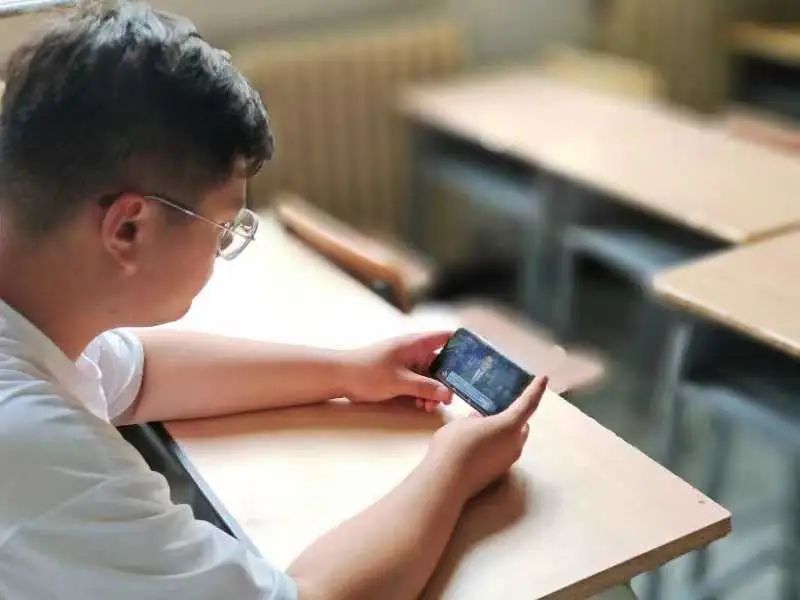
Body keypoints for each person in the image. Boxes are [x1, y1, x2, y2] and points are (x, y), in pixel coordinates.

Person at [0, 2, 547, 598]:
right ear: (129, 228)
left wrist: (347, 371)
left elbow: (141, 371)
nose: (223, 248)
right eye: (224, 227)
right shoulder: (40, 448)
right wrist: (454, 467)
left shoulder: (35, 311)